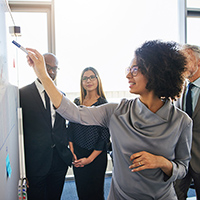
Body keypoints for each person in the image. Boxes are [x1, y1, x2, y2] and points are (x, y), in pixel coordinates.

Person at [26, 40, 192, 200]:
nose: (128, 75)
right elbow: (73, 112)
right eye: (129, 68)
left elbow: (183, 168)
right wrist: (42, 74)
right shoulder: (116, 111)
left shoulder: (181, 121)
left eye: (134, 69)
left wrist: (163, 163)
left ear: (155, 72)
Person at [19, 53, 72, 200]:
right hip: (36, 164)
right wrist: (23, 170)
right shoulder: (22, 94)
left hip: (59, 161)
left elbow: (61, 127)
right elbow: (20, 134)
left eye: (55, 68)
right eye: (48, 67)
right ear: (39, 66)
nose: (52, 72)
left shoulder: (61, 95)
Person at [68, 67, 110, 200]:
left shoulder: (103, 104)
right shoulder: (77, 102)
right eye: (85, 78)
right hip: (78, 154)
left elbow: (104, 136)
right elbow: (71, 128)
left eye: (92, 77)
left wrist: (90, 159)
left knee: (96, 193)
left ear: (97, 79)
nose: (88, 80)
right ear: (81, 82)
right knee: (82, 192)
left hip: (96, 156)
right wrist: (72, 152)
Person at [174, 44, 200, 200]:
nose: (180, 63)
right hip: (181, 159)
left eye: (185, 59)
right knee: (174, 196)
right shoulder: (180, 89)